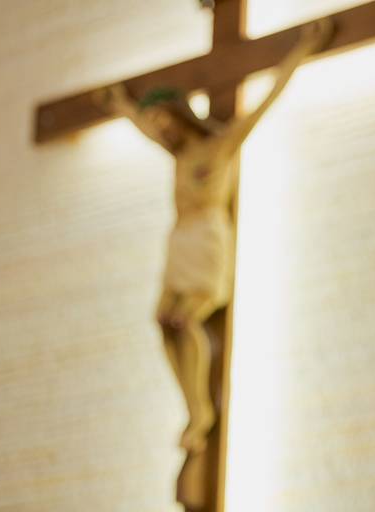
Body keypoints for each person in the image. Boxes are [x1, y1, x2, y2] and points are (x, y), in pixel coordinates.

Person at [95, 18, 334, 455]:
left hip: (207, 235)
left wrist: (301, 50)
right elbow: (142, 127)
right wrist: (122, 105)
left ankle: (200, 410)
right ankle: (190, 403)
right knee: (162, 320)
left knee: (186, 318)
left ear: (180, 115)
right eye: (155, 124)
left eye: (164, 121)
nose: (160, 130)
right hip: (179, 240)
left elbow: (266, 102)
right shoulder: (177, 155)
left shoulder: (218, 147)